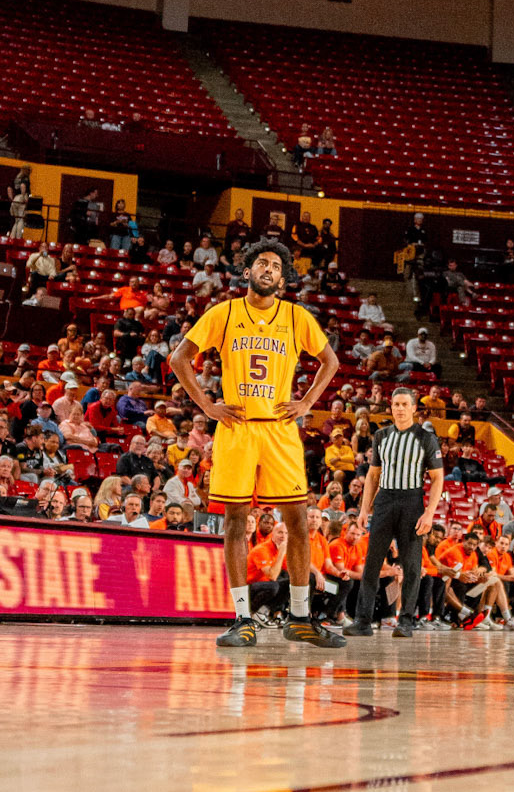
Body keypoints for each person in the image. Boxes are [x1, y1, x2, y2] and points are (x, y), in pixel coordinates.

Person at [169, 238, 344, 649]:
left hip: (280, 429)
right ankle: (242, 618)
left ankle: (299, 618)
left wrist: (306, 403)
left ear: (283, 279)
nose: (269, 269)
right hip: (239, 426)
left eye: (276, 266)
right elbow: (179, 358)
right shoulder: (224, 312)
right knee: (235, 522)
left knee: (298, 520)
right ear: (247, 271)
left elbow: (331, 361)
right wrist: (207, 406)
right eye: (262, 263)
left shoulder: (296, 315)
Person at [349, 386, 444, 636]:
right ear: (391, 407)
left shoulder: (426, 438)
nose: (400, 409)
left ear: (414, 408)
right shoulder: (381, 436)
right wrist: (364, 510)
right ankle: (362, 621)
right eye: (396, 404)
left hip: (412, 501)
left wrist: (429, 512)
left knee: (411, 565)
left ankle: (406, 621)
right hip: (384, 500)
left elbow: (437, 478)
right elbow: (373, 476)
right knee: (372, 562)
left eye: (404, 404)